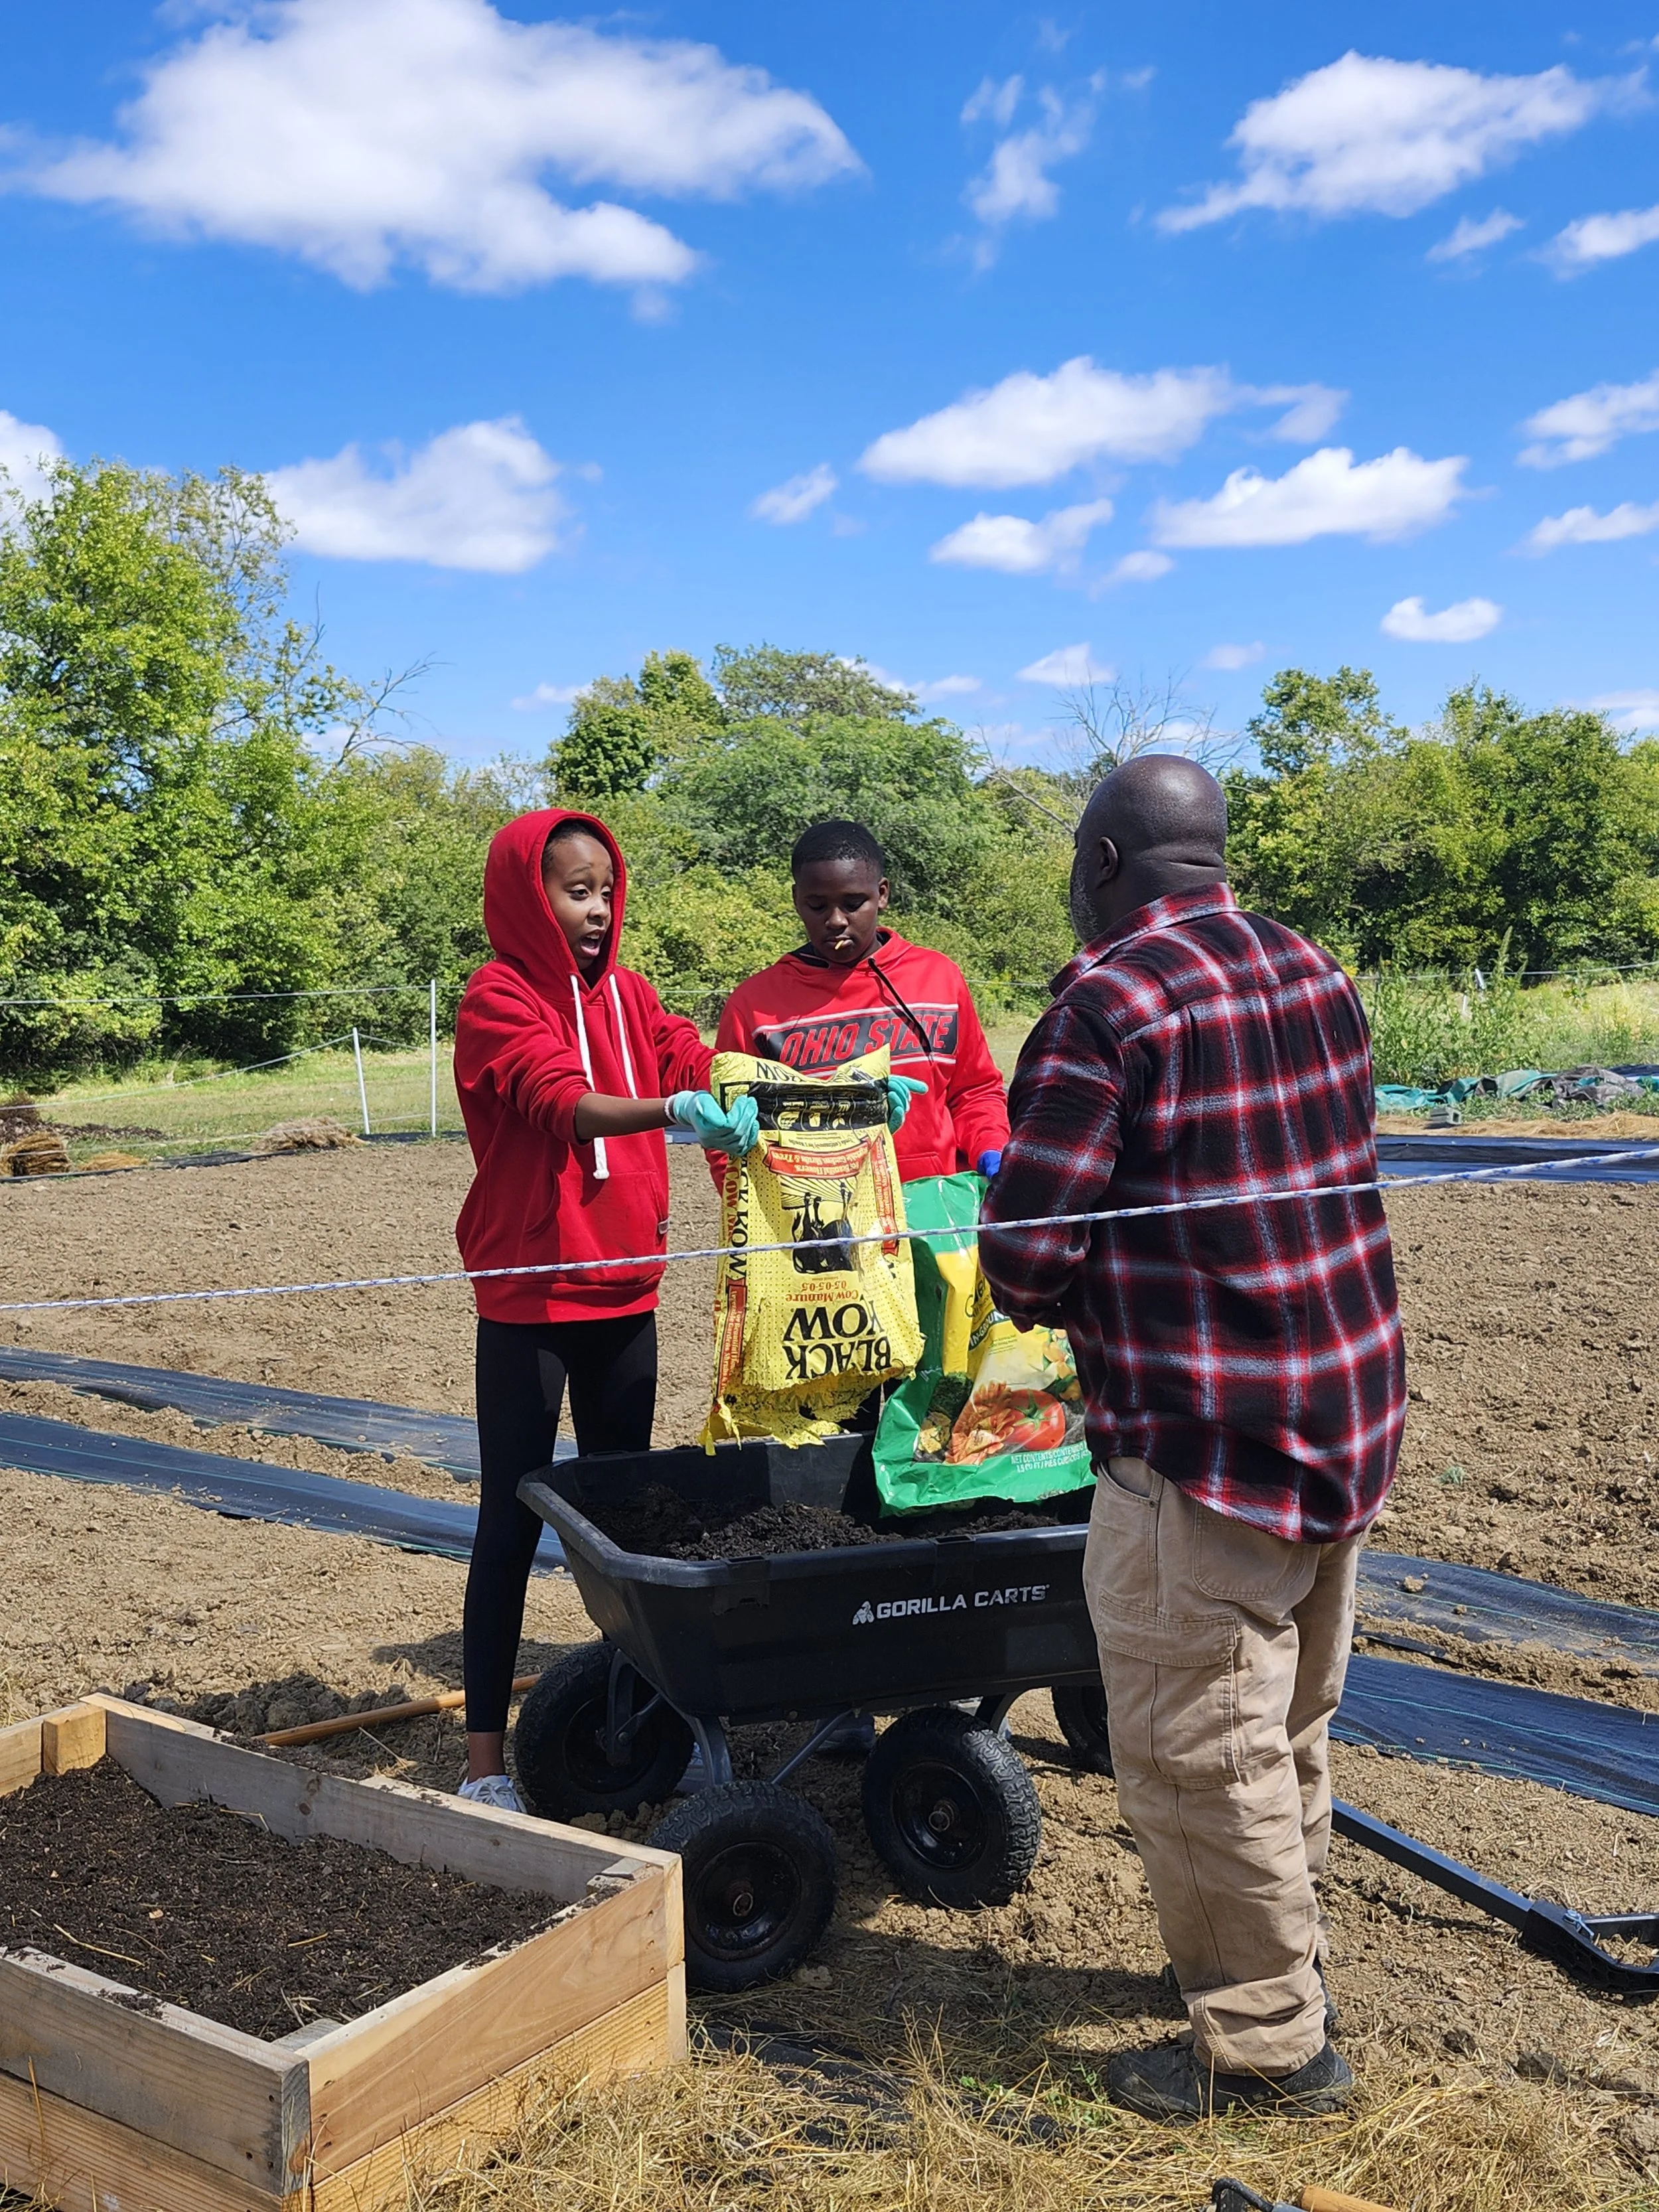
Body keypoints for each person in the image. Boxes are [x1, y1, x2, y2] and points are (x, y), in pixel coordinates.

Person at [978, 757, 1406, 2122]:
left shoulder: (1104, 1002)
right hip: (1338, 1407)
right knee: (1280, 1718)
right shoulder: (1311, 965)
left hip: (1202, 1437)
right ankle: (1287, 1970)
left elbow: (1031, 1254)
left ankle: (1269, 2049)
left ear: (1101, 860)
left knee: (1189, 1745)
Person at [451, 808, 758, 1813]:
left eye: (605, 890)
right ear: (525, 897)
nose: (596, 908)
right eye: (574, 890)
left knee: (627, 1517)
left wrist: (800, 1093)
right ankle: (486, 1763)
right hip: (533, 1295)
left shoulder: (631, 995)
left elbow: (694, 1058)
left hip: (625, 1285)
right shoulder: (498, 998)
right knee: (510, 1517)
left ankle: (633, 1724)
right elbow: (557, 1101)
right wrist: (672, 1113)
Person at [714, 818, 1009, 1183]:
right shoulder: (755, 1006)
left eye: (853, 904)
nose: (836, 921)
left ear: (882, 894)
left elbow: (974, 1092)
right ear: (796, 900)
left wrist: (991, 1148)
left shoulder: (939, 978)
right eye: (817, 906)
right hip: (816, 1221)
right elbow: (726, 1130)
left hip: (936, 1213)